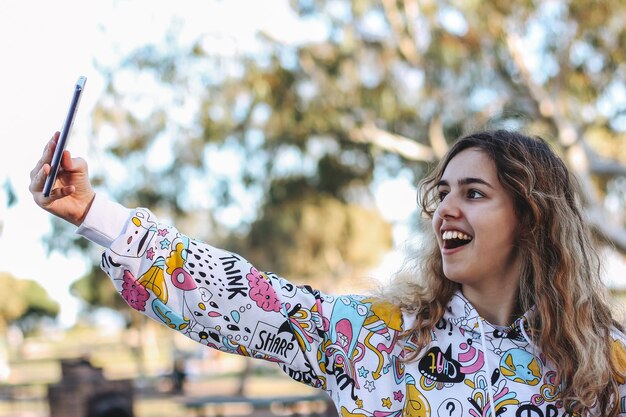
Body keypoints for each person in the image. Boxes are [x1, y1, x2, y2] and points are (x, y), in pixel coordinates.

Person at [30, 129, 626, 416]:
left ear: (530, 217)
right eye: (442, 191)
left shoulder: (606, 367)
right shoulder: (372, 338)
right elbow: (237, 301)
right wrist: (94, 215)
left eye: (474, 193)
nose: (445, 207)